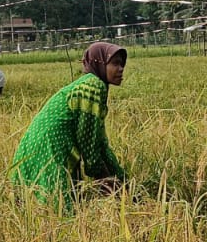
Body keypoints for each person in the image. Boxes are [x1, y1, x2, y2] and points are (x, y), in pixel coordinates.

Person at [10, 42, 127, 203]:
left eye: (122, 64)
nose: (121, 69)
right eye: (115, 63)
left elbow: (101, 144)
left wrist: (122, 179)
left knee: (44, 205)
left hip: (35, 147)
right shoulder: (92, 86)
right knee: (59, 210)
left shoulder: (89, 84)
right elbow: (90, 146)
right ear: (98, 62)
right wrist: (110, 184)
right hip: (50, 148)